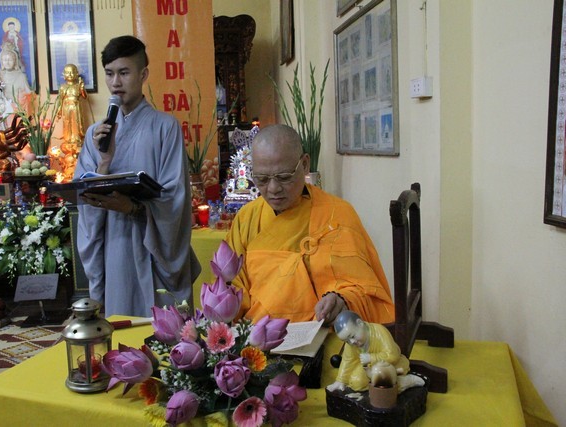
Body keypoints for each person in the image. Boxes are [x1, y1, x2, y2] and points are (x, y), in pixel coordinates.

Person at [74, 35, 200, 317]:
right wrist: (104, 162)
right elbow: (85, 200)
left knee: (162, 331)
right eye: (109, 73)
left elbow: (176, 198)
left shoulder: (165, 127)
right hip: (114, 248)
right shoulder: (95, 134)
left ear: (143, 75)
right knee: (121, 328)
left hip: (153, 247)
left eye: (124, 72)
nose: (115, 82)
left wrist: (132, 207)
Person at [225, 124, 394, 324]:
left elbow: (365, 290)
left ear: (305, 164)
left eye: (284, 177)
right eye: (262, 179)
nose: (273, 188)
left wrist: (341, 300)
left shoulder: (337, 215)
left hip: (322, 332)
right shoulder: (246, 219)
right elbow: (230, 286)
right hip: (258, 333)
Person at [326, 310, 423, 393]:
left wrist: (371, 358)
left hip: (389, 365)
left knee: (385, 378)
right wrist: (341, 380)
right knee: (356, 382)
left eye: (352, 336)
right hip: (368, 368)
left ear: (360, 323)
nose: (352, 342)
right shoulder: (351, 344)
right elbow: (348, 361)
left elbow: (392, 354)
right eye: (347, 341)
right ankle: (388, 384)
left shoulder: (379, 331)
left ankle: (404, 382)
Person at [58, 64, 87, 146]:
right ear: (64, 74)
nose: (70, 75)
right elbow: (60, 100)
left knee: (76, 122)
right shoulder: (62, 87)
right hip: (66, 107)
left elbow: (85, 97)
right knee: (67, 122)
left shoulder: (78, 85)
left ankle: (76, 139)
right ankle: (68, 139)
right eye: (67, 72)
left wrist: (82, 88)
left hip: (76, 107)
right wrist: (59, 111)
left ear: (76, 73)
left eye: (72, 72)